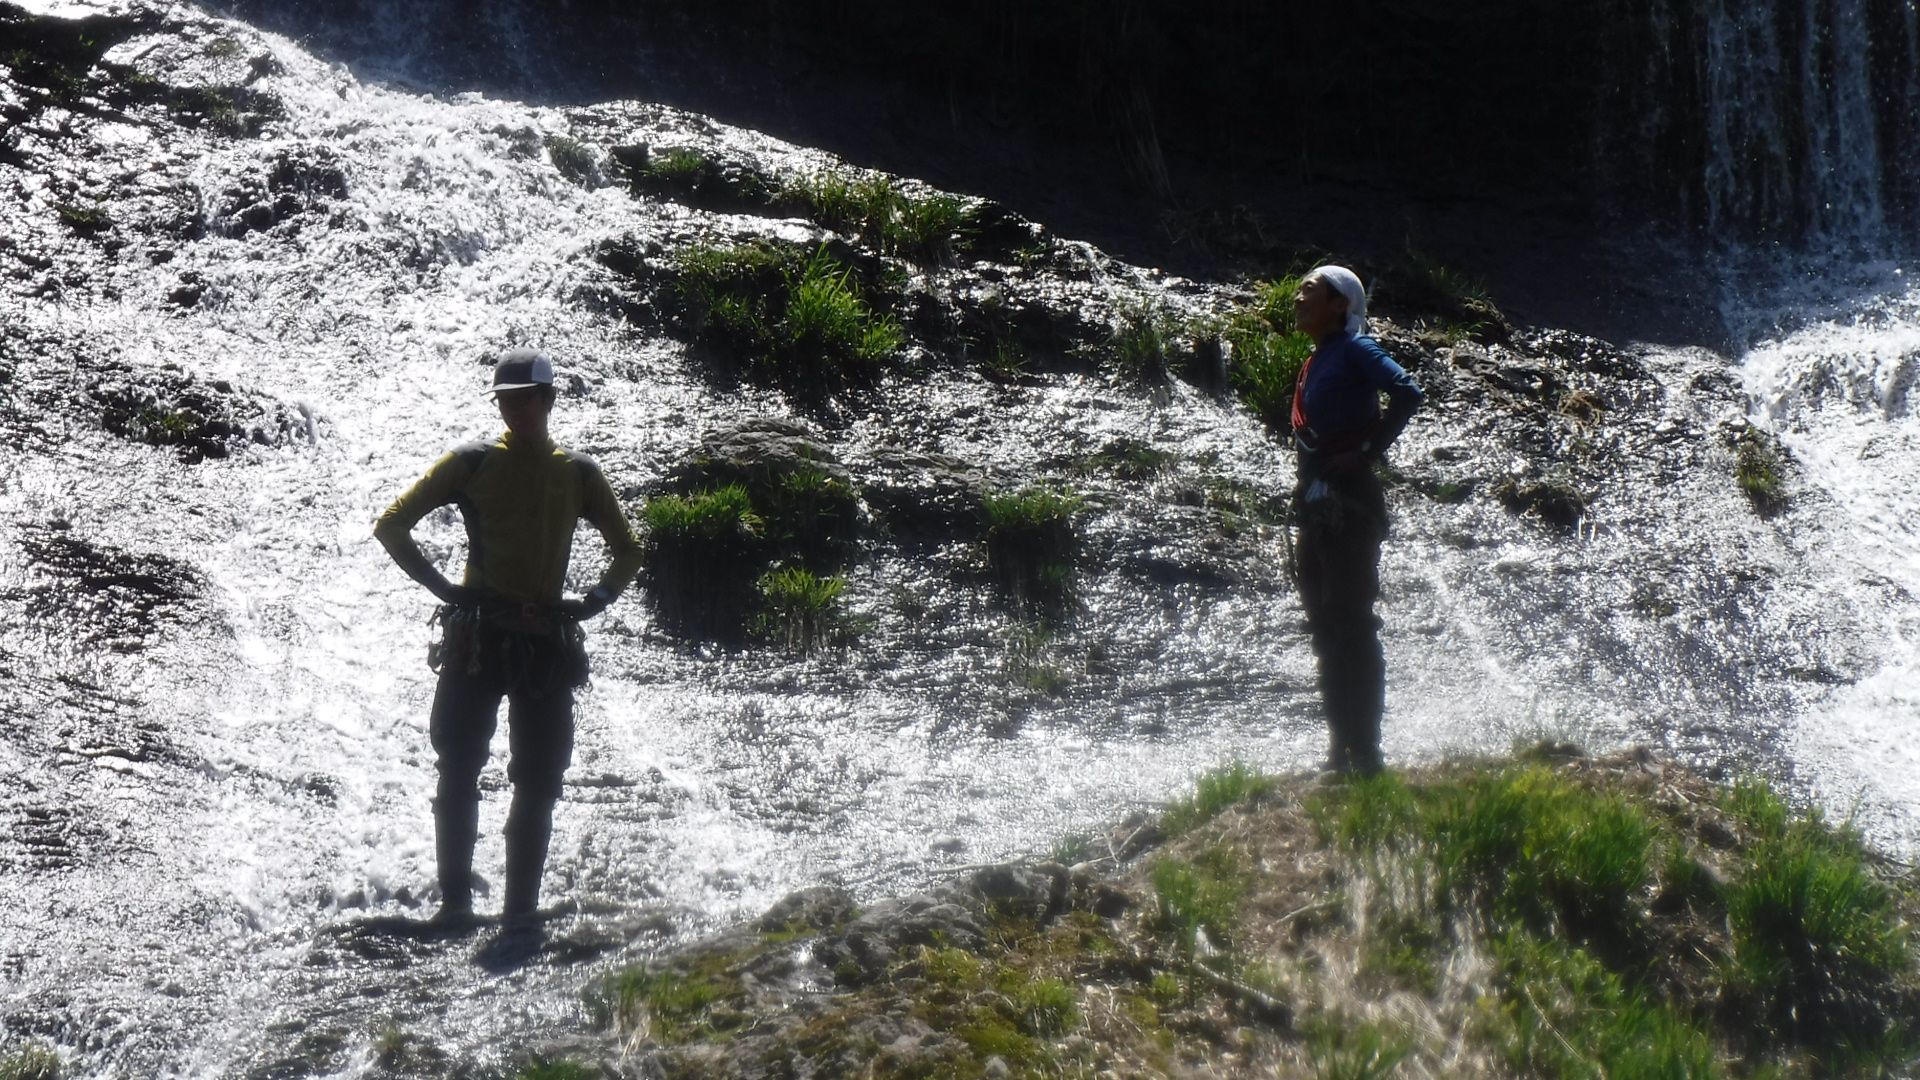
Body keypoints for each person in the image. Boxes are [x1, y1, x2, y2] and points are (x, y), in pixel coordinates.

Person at [375, 348, 644, 928]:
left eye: (525, 399)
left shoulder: (578, 473)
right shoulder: (471, 463)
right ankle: (455, 906)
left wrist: (593, 602)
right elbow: (392, 523)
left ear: (549, 400)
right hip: (477, 638)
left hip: (546, 642)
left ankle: (520, 911)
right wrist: (444, 588)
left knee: (540, 779)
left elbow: (629, 550)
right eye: (506, 400)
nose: (515, 410)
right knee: (459, 766)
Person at [1288, 267, 1424, 776]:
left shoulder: (1355, 350)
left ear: (1340, 305)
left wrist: (1366, 452)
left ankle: (1366, 752)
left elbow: (1408, 391)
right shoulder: (1316, 361)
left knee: (1351, 623)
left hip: (1351, 503)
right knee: (1324, 626)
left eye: (1309, 290)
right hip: (1316, 506)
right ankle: (1338, 750)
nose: (1298, 297)